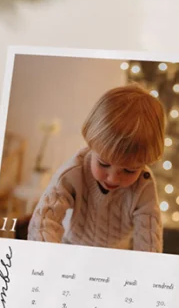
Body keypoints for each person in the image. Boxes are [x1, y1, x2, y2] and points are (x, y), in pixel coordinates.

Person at [29, 84, 166, 251]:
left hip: (117, 255)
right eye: (104, 164)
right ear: (91, 145)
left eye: (129, 170)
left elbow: (149, 241)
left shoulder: (144, 187)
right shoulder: (74, 172)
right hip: (70, 247)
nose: (113, 178)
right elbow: (44, 222)